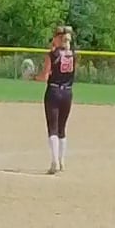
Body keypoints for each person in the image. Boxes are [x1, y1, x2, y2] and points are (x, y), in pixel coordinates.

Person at [34, 25, 76, 174]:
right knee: (62, 129)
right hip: (68, 93)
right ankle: (62, 161)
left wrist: (33, 77)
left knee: (52, 128)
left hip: (53, 92)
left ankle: (55, 163)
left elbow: (44, 76)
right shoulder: (74, 55)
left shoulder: (51, 55)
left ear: (58, 38)